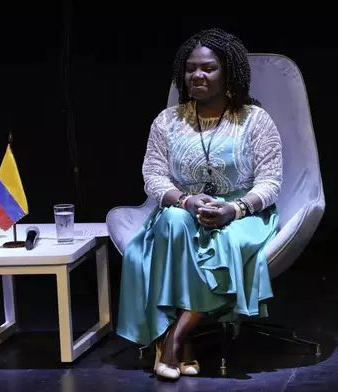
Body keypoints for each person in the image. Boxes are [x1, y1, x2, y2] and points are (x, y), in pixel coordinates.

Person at [115, 28, 282, 381]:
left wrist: (233, 210)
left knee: (223, 242)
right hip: (183, 209)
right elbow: (154, 177)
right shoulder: (167, 121)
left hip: (242, 214)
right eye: (191, 69)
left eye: (208, 69)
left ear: (229, 74)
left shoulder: (255, 120)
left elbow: (271, 182)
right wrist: (187, 201)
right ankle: (181, 343)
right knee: (173, 222)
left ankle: (174, 338)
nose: (198, 76)